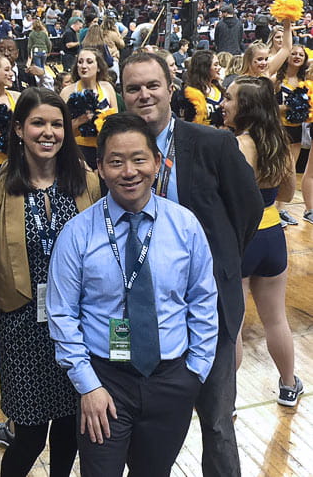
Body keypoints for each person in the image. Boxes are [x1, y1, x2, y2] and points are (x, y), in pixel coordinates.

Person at [46, 111, 219, 476]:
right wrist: (87, 385)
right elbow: (61, 313)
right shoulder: (77, 234)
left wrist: (195, 372)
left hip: (172, 378)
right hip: (104, 383)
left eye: (139, 159)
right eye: (116, 162)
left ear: (157, 162)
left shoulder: (185, 226)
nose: (129, 172)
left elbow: (203, 299)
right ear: (100, 168)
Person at [120, 52, 263, 476]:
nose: (144, 94)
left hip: (208, 307)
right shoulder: (119, 149)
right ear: (124, 95)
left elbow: (248, 210)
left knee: (217, 424)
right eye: (133, 88)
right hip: (144, 307)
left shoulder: (212, 143)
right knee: (145, 425)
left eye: (152, 85)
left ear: (170, 88)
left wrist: (216, 262)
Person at [0, 87, 101, 476]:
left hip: (77, 327)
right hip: (21, 325)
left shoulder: (87, 183)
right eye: (38, 123)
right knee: (28, 435)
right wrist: (4, 297)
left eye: (57, 123)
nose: (48, 132)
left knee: (69, 428)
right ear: (18, 129)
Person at [221, 76, 303, 405]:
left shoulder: (235, 145)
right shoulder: (278, 140)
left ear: (246, 108)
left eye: (229, 99)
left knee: (234, 327)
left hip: (241, 238)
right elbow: (286, 193)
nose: (223, 105)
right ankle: (287, 384)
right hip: (272, 237)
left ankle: (228, 398)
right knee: (276, 319)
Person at [60, 47, 117, 168]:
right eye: (80, 62)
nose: (83, 66)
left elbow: (116, 123)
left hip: (104, 150)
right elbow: (60, 128)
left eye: (89, 62)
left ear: (99, 67)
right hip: (77, 152)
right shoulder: (67, 92)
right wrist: (80, 121)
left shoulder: (107, 87)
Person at [274, 44, 309, 226]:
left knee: (290, 170)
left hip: (297, 129)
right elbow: (266, 105)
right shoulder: (277, 79)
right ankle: (271, 208)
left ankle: (281, 209)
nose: (296, 57)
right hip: (278, 129)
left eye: (300, 55)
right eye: (293, 53)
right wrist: (286, 107)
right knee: (277, 169)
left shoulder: (305, 79)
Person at [179, 50, 224, 127]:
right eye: (215, 65)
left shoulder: (219, 90)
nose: (219, 68)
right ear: (204, 68)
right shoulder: (188, 93)